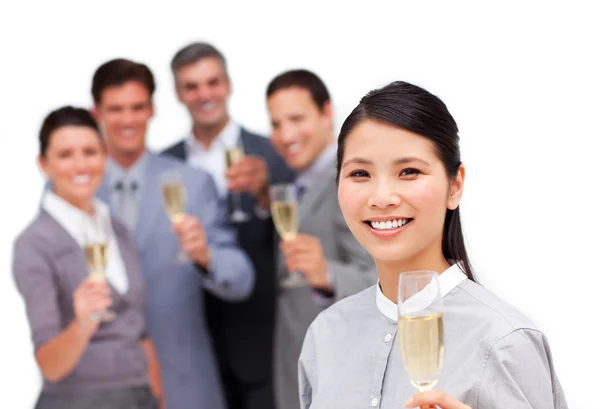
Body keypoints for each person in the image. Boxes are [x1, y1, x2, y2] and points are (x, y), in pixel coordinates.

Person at [298, 81, 568, 409]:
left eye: (409, 171)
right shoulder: (324, 335)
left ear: (455, 186)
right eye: (360, 174)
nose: (382, 198)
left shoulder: (504, 341)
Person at [91, 58, 255, 409]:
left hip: (183, 383)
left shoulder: (192, 183)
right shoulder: (74, 190)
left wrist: (206, 257)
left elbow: (241, 278)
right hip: (98, 383)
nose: (127, 119)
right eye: (115, 109)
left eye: (137, 107)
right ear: (97, 113)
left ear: (152, 109)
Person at [162, 42, 294, 409]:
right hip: (188, 337)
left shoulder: (270, 153)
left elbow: (298, 234)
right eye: (192, 86)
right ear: (178, 93)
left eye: (212, 82)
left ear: (228, 84)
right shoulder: (165, 164)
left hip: (258, 336)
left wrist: (265, 194)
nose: (204, 94)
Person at [13, 106, 162, 409]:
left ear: (105, 156)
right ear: (44, 164)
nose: (80, 165)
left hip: (139, 396)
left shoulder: (116, 229)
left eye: (90, 152)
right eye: (65, 155)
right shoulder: (35, 244)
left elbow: (140, 330)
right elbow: (50, 365)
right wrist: (82, 324)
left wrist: (158, 400)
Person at [266, 69, 377, 409]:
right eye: (275, 124)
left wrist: (325, 273)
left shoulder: (351, 182)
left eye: (296, 118)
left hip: (339, 375)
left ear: (327, 112)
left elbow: (385, 280)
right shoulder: (292, 182)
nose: (286, 135)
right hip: (298, 365)